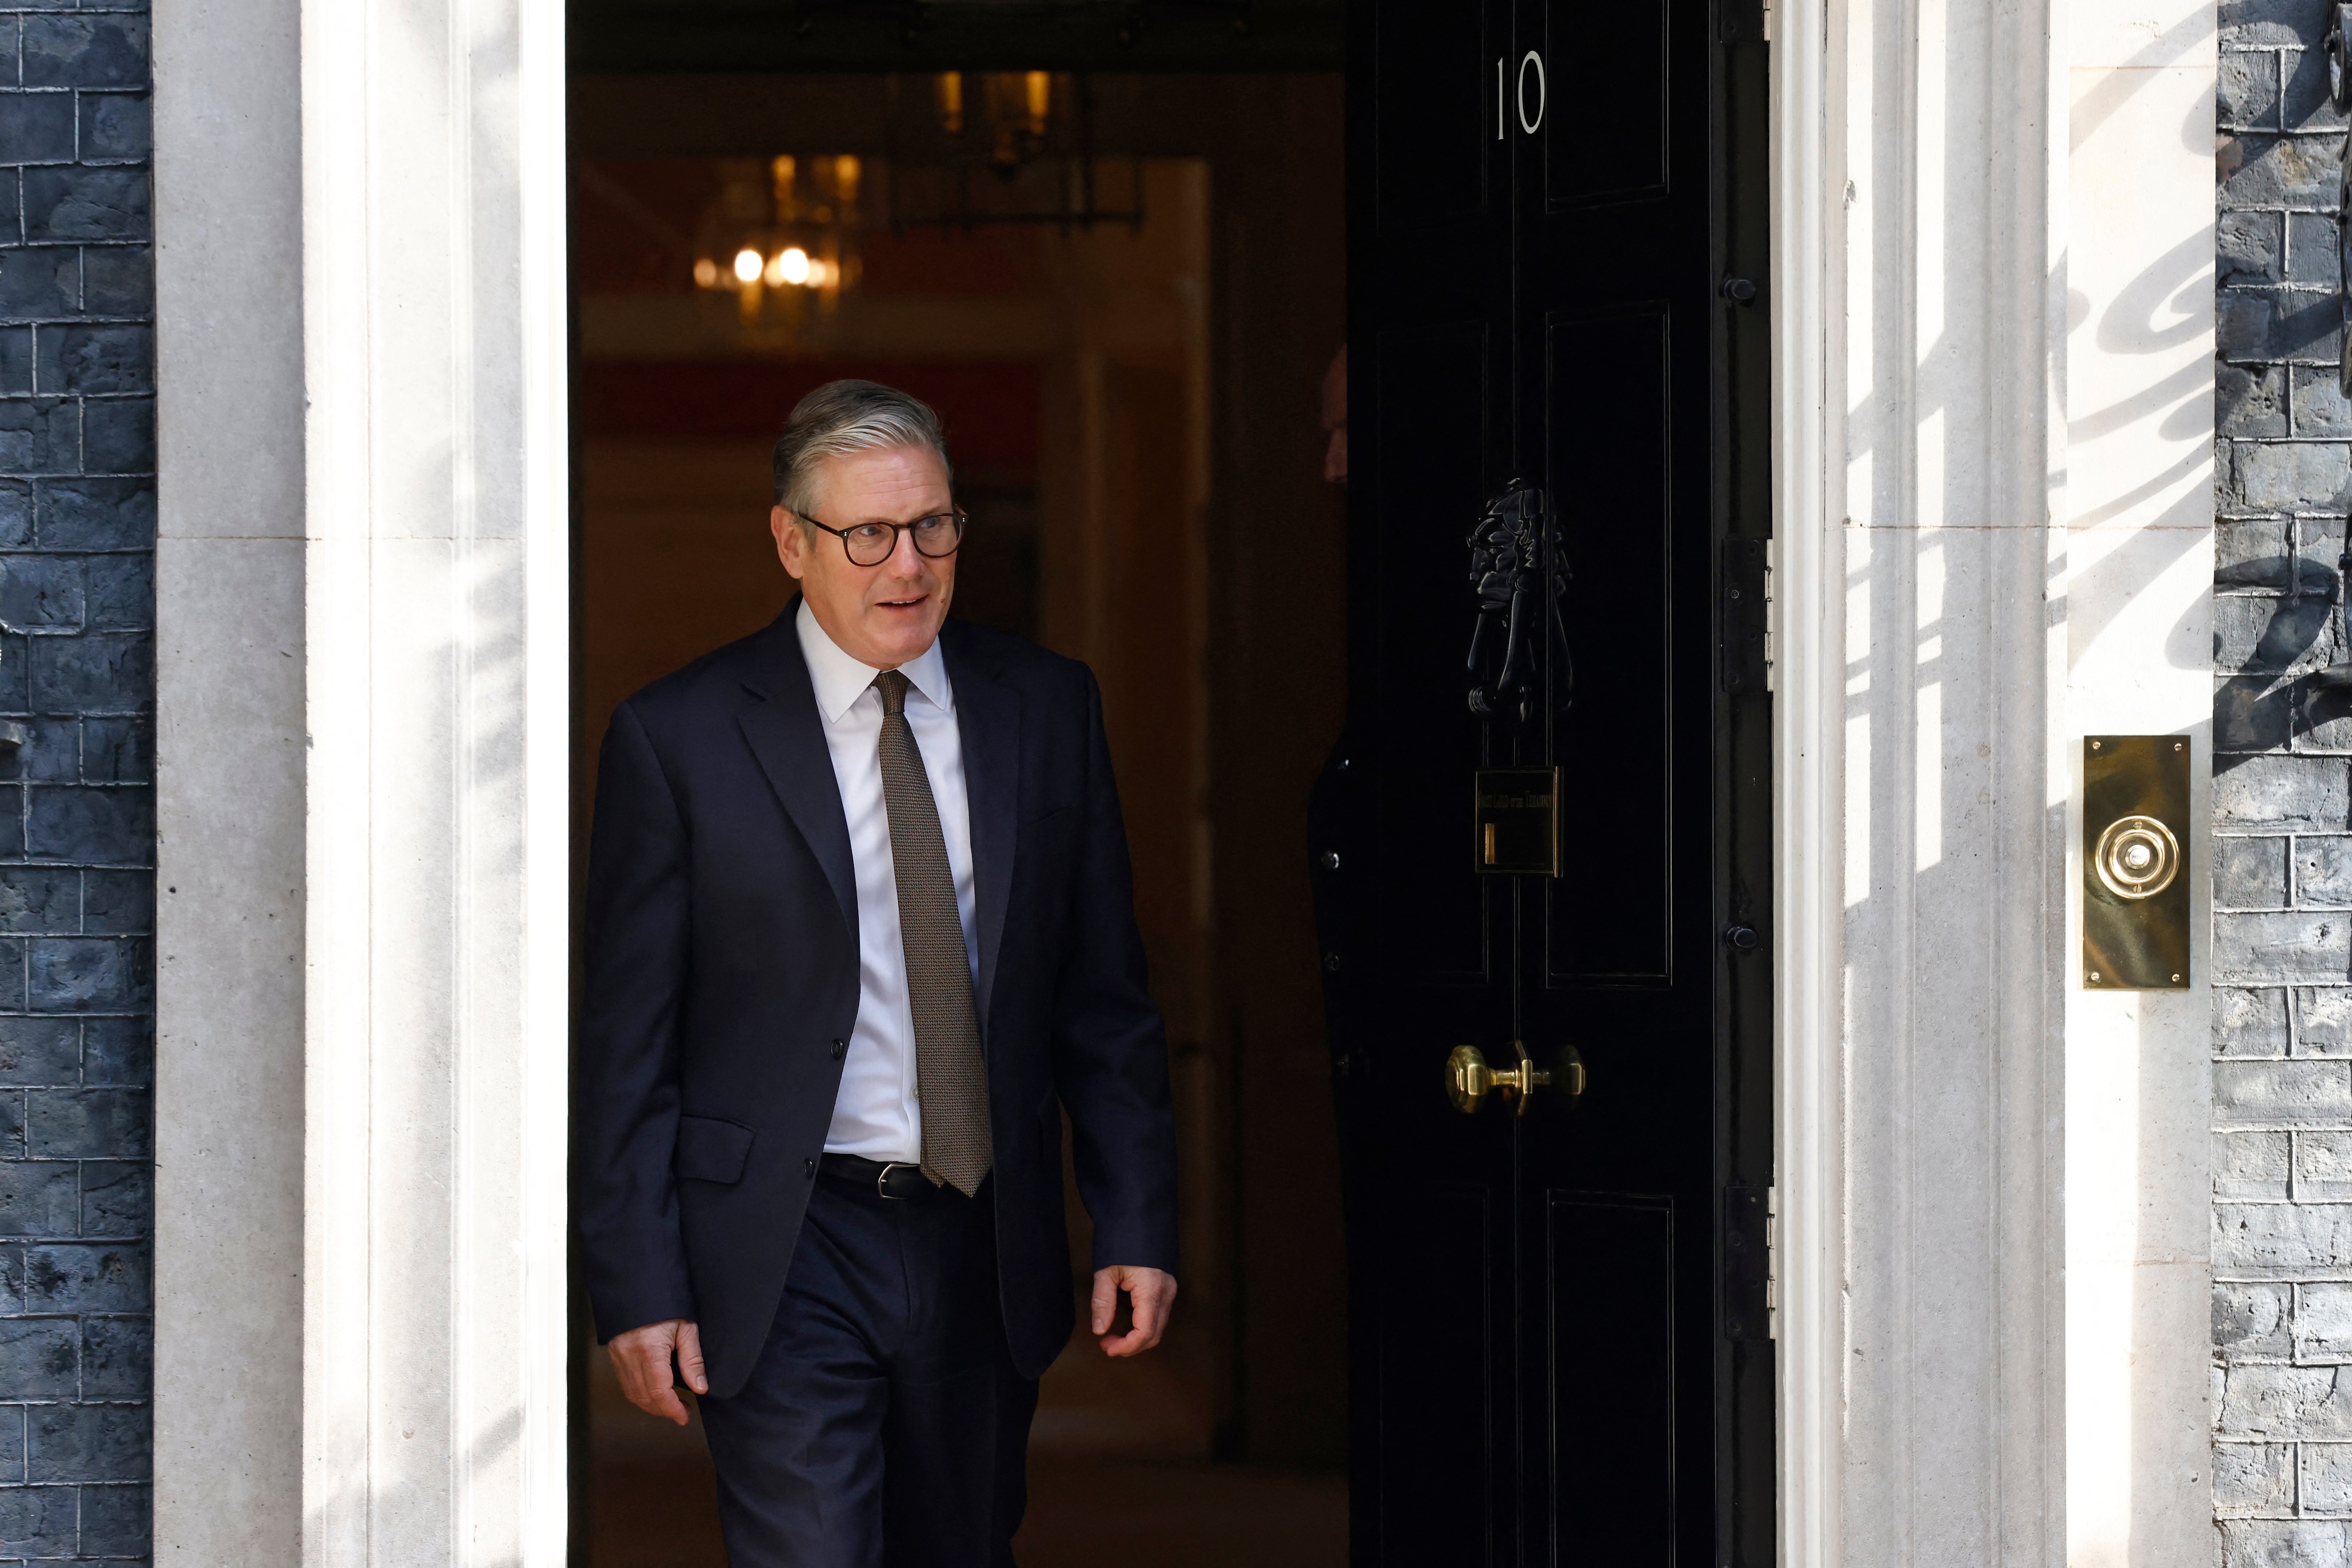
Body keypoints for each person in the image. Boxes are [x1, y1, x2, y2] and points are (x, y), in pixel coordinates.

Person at [577, 379, 1181, 1566]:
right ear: (791, 542)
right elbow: (626, 1046)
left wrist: (1138, 1221)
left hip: (979, 1234)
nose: (906, 566)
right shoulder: (681, 737)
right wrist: (636, 1284)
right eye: (867, 535)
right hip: (785, 1239)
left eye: (933, 527)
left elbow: (1103, 1001)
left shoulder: (1046, 710)